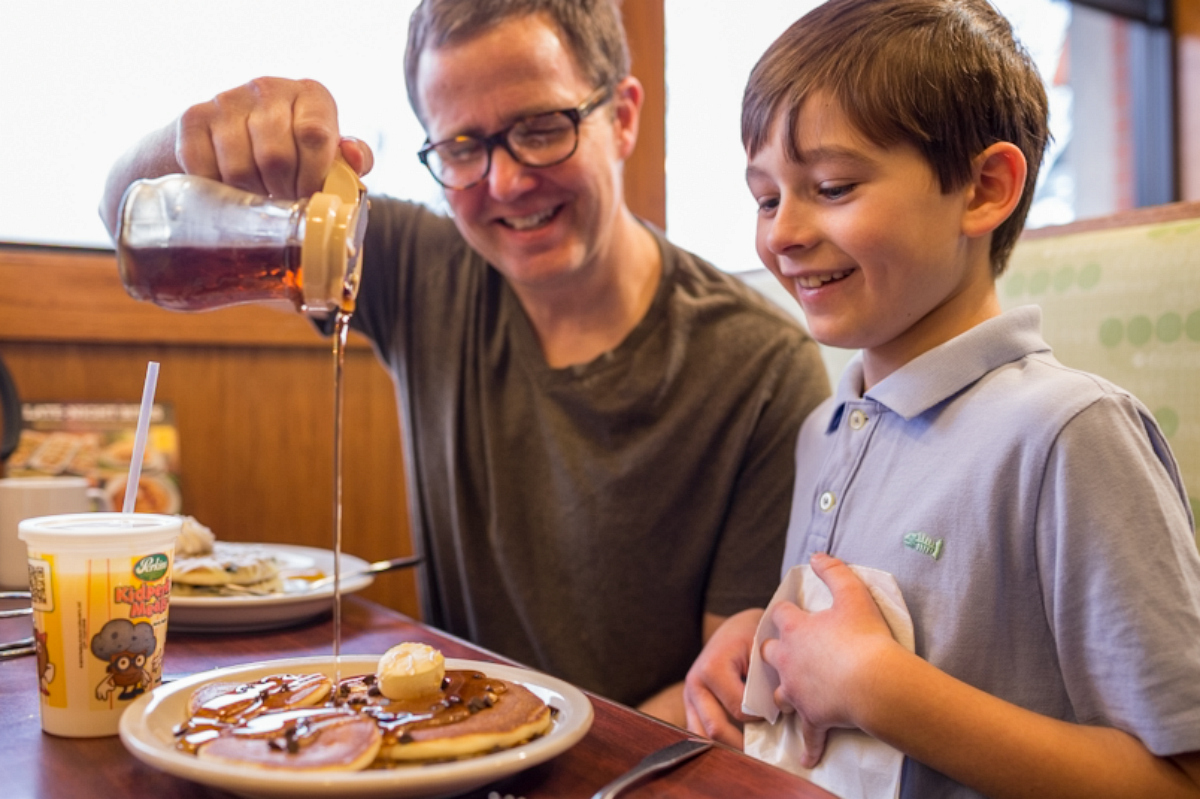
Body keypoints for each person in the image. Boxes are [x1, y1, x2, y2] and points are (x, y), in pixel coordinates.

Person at [99, 0, 830, 722]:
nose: (506, 183)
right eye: (461, 148)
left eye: (543, 129)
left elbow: (724, 699)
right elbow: (125, 214)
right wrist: (203, 138)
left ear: (625, 116)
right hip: (438, 744)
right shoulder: (426, 265)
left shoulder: (763, 368)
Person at [682, 0, 1200, 795]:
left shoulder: (1068, 433)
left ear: (984, 189)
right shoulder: (824, 428)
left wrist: (882, 690)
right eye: (766, 197)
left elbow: (1176, 778)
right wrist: (771, 644)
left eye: (831, 185)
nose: (782, 233)